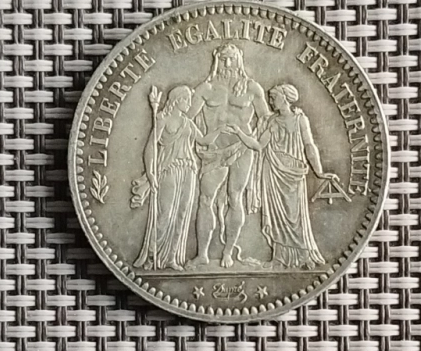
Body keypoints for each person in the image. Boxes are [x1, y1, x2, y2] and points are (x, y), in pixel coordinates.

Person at [224, 84, 333, 269]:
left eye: (273, 97)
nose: (271, 101)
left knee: (296, 216)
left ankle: (304, 255)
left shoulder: (300, 120)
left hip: (293, 174)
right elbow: (259, 146)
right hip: (273, 173)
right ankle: (279, 258)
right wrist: (239, 133)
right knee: (276, 217)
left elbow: (309, 146)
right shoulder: (272, 122)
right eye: (270, 98)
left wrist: (319, 171)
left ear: (285, 97)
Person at [186, 43, 270, 268]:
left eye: (232, 58)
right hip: (214, 151)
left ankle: (228, 252)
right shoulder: (205, 89)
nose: (228, 63)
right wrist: (199, 140)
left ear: (240, 59)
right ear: (217, 59)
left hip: (242, 149)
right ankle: (202, 254)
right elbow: (188, 119)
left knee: (235, 197)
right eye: (223, 58)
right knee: (205, 199)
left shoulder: (252, 88)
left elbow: (266, 120)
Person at [131, 86, 221, 270]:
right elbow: (150, 147)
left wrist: (221, 129)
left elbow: (203, 141)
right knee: (165, 214)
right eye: (187, 99)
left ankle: (171, 258)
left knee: (182, 214)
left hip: (188, 170)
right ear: (178, 100)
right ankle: (153, 256)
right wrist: (150, 173)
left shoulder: (188, 122)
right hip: (169, 169)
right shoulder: (162, 118)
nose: (189, 103)